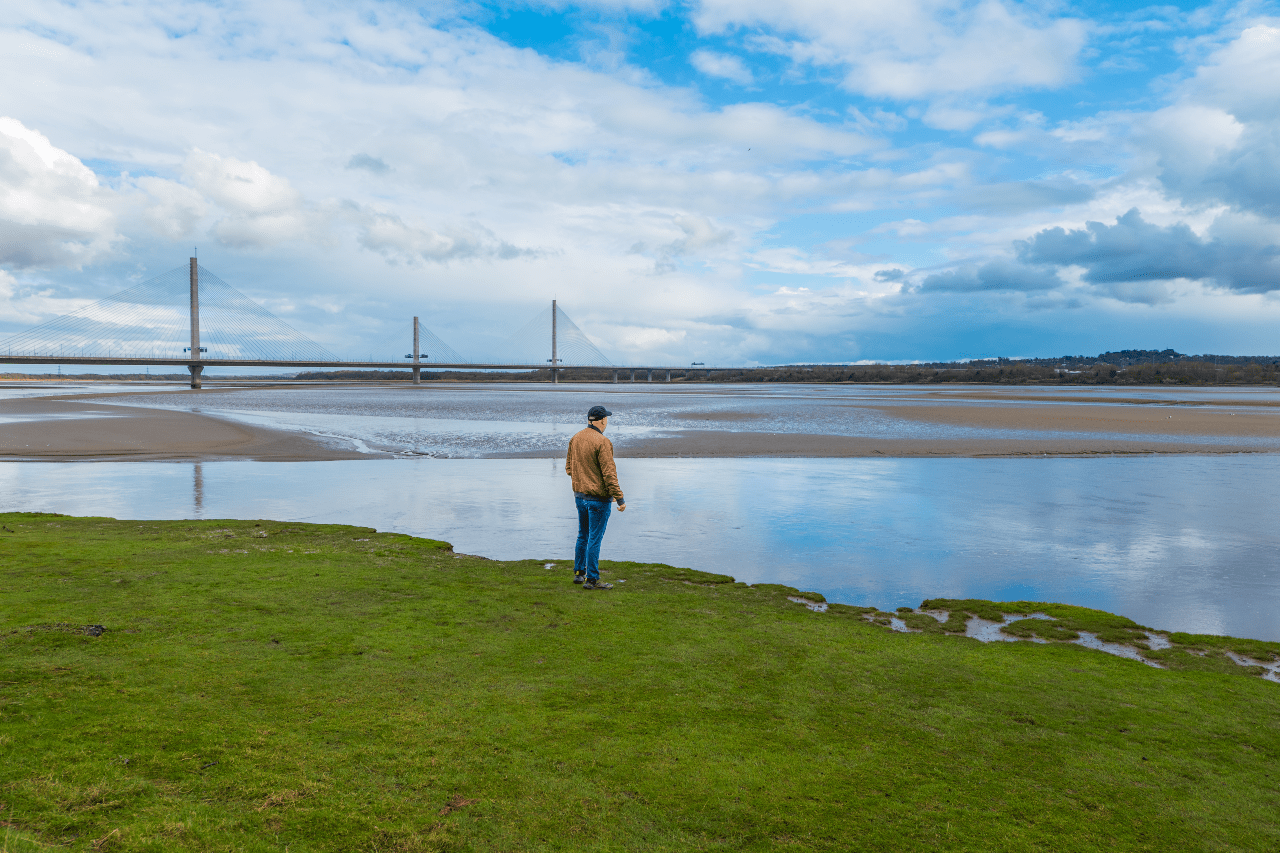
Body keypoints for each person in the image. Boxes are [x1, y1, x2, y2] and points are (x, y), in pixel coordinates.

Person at [566, 404, 626, 590]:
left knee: (583, 535)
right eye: (606, 418)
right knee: (594, 538)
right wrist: (619, 497)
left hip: (579, 496)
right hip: (597, 499)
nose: (606, 421)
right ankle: (592, 579)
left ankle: (579, 574)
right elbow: (609, 474)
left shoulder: (575, 438)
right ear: (602, 420)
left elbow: (569, 469)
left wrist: (584, 481)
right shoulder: (602, 442)